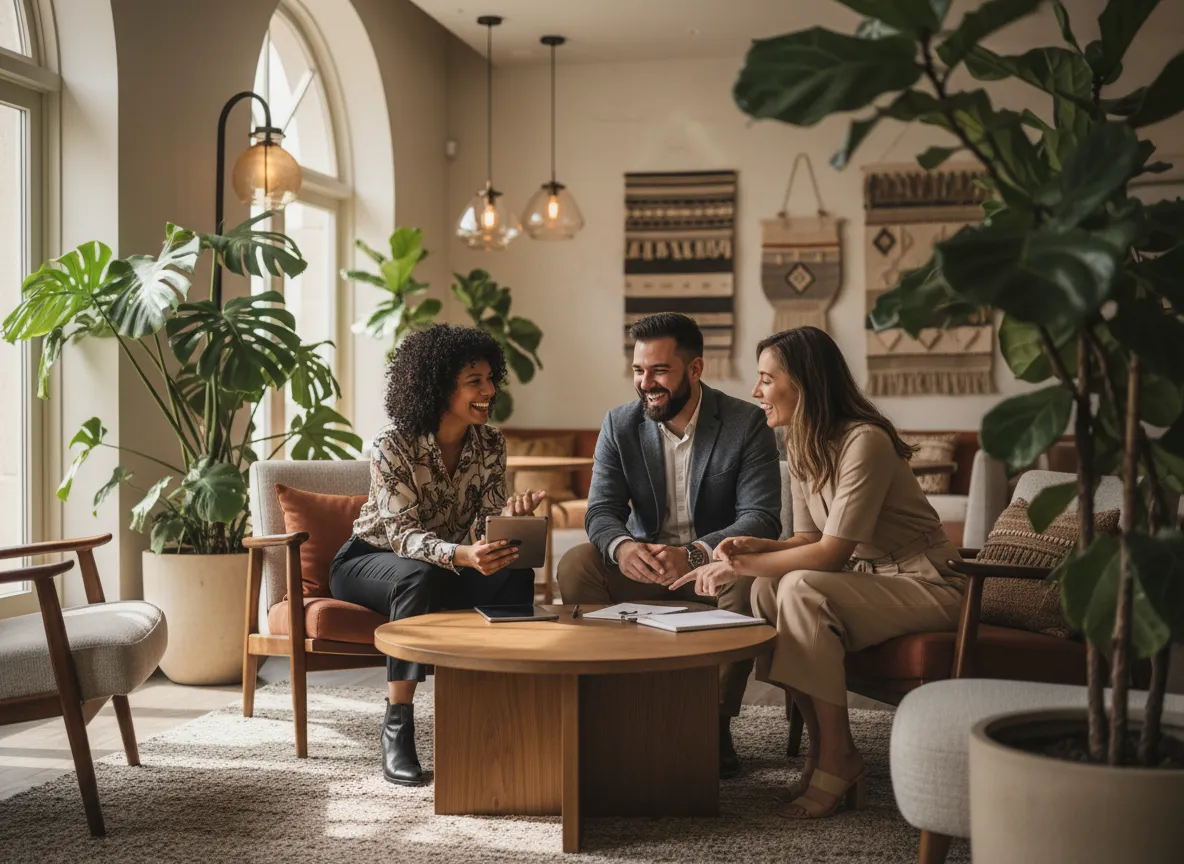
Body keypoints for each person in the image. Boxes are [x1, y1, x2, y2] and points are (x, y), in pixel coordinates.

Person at [668, 326, 964, 818]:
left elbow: (828, 556)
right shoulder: (804, 443)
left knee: (801, 588)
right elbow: (806, 540)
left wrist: (737, 564)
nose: (756, 391)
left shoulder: (864, 441)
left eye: (766, 379)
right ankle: (823, 752)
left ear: (802, 383)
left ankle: (839, 757)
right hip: (873, 580)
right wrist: (752, 548)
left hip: (929, 584)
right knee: (765, 589)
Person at [558, 312, 782, 778]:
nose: (646, 383)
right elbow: (600, 512)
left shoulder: (745, 423)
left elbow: (761, 519)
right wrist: (622, 548)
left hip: (709, 569)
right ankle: (613, 708)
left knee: (745, 579)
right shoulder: (620, 424)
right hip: (644, 565)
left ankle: (712, 723)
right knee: (577, 564)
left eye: (659, 370)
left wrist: (697, 553)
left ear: (695, 369)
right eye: (639, 370)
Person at [329, 324, 546, 786]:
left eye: (490, 379)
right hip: (370, 560)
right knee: (416, 577)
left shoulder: (491, 443)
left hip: (446, 560)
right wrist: (464, 555)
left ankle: (507, 709)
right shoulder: (393, 444)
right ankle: (397, 723)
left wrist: (505, 520)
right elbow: (403, 535)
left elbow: (481, 519)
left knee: (515, 573)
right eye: (475, 382)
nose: (489, 391)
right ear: (438, 385)